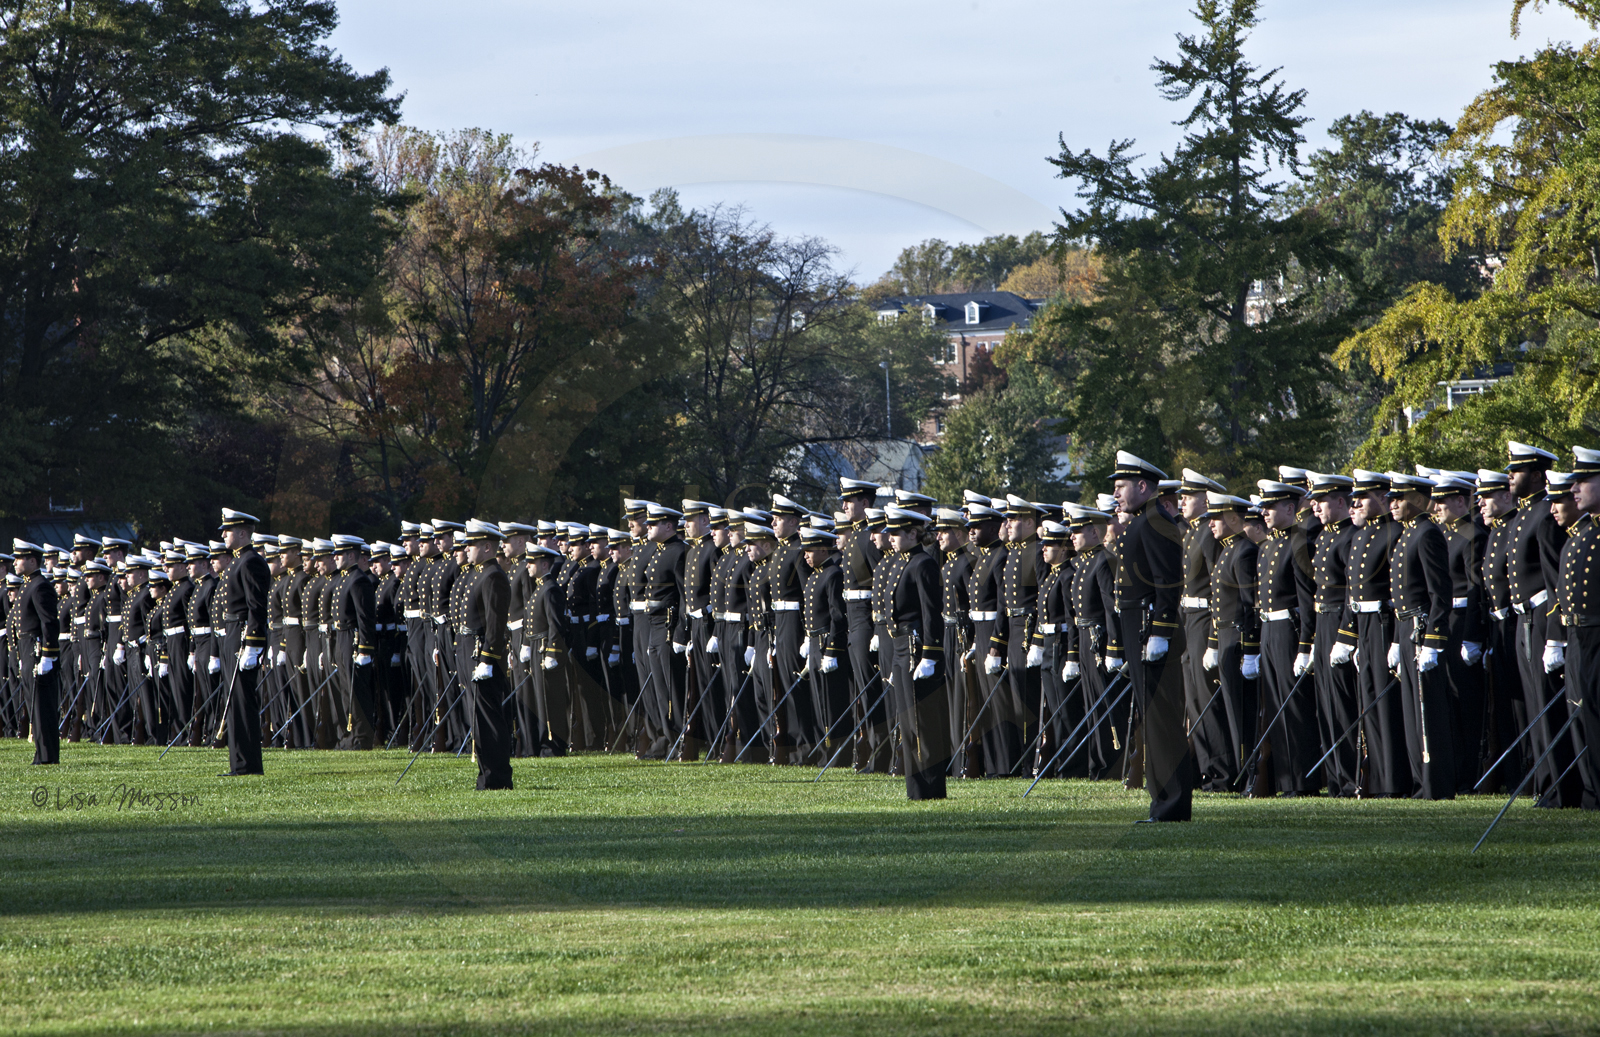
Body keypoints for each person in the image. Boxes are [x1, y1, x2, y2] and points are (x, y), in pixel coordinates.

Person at [1109, 450, 1196, 821]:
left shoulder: (1156, 522)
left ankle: (1172, 803)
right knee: (1154, 722)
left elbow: (1168, 583)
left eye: (1121, 486)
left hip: (1150, 634)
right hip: (1138, 631)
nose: (1115, 494)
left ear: (1143, 486)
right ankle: (1162, 800)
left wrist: (1159, 633)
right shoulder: (1143, 521)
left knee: (1163, 724)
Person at [1503, 442, 1579, 807]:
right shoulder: (1523, 515)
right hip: (1523, 620)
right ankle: (1544, 783)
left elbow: (1555, 583)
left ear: (1536, 475)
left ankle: (1560, 789)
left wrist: (1555, 636)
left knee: (1548, 706)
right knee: (1535, 704)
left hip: (1541, 620)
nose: (1509, 477)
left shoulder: (1545, 516)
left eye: (1515, 471)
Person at [1385, 472, 1457, 799]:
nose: (1393, 504)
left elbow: (1441, 594)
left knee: (1429, 711)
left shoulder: (1427, 533)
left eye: (1399, 497)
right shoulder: (1407, 534)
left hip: (1421, 628)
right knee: (1412, 709)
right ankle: (1420, 781)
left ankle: (1436, 784)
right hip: (1405, 627)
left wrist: (1434, 641)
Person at [1252, 478, 1318, 797]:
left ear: (1289, 508)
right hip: (1268, 630)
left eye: (1270, 506)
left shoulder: (1300, 541)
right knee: (1275, 704)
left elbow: (1307, 600)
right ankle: (1284, 779)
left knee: (1294, 708)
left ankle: (1301, 781)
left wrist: (1305, 644)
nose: (1264, 512)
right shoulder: (1268, 545)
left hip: (1289, 633)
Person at [881, 506, 948, 799]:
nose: (891, 538)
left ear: (913, 533)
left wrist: (930, 654)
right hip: (900, 649)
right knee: (908, 721)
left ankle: (930, 788)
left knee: (924, 721)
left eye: (897, 533)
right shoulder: (901, 562)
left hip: (917, 648)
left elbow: (932, 613)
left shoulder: (923, 563)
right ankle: (915, 788)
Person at [449, 519, 513, 789]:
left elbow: (495, 624)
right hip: (468, 649)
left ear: (487, 546)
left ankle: (496, 777)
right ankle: (485, 774)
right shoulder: (479, 573)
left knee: (488, 718)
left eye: (472, 544)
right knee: (477, 718)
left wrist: (487, 659)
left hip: (481, 654)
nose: (468, 549)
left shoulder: (493, 576)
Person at [1307, 472, 1360, 797]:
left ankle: (1352, 776)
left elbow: (1352, 592)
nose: (1315, 506)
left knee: (1343, 704)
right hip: (1323, 623)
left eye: (1322, 500)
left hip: (1340, 623)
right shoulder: (1326, 537)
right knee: (1326, 704)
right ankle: (1336, 778)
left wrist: (1346, 634)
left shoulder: (1350, 537)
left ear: (1340, 501)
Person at [1178, 469, 1228, 787]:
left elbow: (1218, 585)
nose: (1182, 500)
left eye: (1188, 496)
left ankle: (1220, 772)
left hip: (1203, 620)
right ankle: (1202, 769)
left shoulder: (1209, 534)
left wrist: (1213, 637)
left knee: (1207, 698)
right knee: (1193, 700)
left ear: (1205, 499)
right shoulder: (1191, 531)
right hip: (1188, 620)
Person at [216, 509, 271, 775]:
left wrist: (253, 643)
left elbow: (257, 606)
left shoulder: (250, 561)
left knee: (242, 701)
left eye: (227, 530)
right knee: (234, 701)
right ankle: (238, 762)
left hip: (242, 635)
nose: (223, 535)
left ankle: (247, 764)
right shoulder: (237, 561)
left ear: (241, 533)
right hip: (231, 632)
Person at [12, 540, 61, 764]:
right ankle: (41, 753)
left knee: (43, 707)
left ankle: (48, 756)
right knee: (35, 705)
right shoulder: (28, 584)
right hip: (28, 649)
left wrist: (48, 655)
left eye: (19, 558)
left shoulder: (40, 585)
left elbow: (49, 623)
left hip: (38, 649)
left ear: (33, 561)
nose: (15, 562)